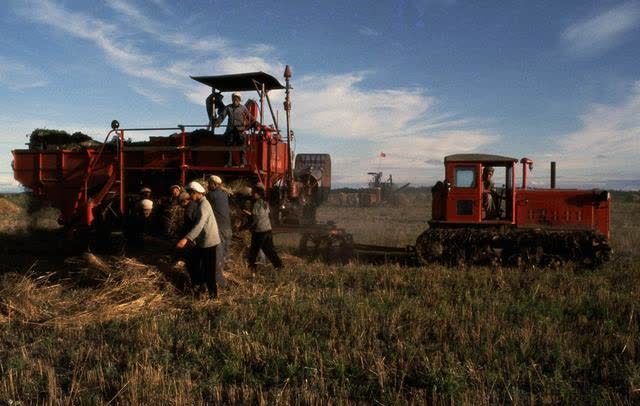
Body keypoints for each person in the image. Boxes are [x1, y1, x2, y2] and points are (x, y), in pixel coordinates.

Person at [176, 181, 220, 298]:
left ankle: (213, 295)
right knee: (194, 262)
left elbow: (199, 225)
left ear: (196, 193)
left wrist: (186, 239)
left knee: (209, 269)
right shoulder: (200, 203)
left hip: (209, 242)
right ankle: (200, 286)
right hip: (202, 241)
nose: (190, 196)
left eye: (191, 193)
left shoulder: (204, 206)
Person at [245, 183, 283, 271]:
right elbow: (264, 215)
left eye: (253, 192)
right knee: (269, 250)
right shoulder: (265, 202)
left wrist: (247, 225)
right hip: (267, 230)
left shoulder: (256, 204)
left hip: (259, 231)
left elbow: (256, 218)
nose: (252, 194)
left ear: (257, 193)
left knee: (254, 251)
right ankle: (279, 266)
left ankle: (252, 268)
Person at [215, 92, 255, 167]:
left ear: (239, 100)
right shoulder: (228, 107)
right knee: (228, 147)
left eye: (237, 99)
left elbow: (250, 118)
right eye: (234, 99)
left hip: (240, 130)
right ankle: (228, 163)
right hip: (230, 130)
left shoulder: (243, 108)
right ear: (232, 99)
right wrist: (217, 122)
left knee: (242, 147)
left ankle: (242, 163)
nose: (235, 100)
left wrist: (254, 123)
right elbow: (222, 116)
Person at [207, 175, 232, 287]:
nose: (208, 185)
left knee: (219, 251)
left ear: (215, 184)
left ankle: (219, 279)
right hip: (227, 227)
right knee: (225, 249)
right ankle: (225, 268)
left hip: (220, 227)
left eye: (210, 183)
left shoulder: (212, 195)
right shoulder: (224, 194)